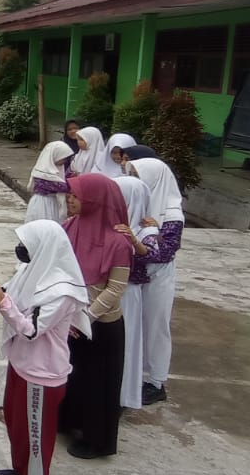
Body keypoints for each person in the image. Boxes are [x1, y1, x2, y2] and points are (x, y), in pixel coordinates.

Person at [0, 220, 90, 475]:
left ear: (44, 248)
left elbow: (31, 329)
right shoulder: (33, 271)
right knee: (17, 424)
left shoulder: (60, 290)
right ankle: (24, 474)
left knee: (35, 435)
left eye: (26, 245)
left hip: (41, 373)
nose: (21, 249)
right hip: (22, 364)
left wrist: (3, 302)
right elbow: (10, 291)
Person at [57, 173, 132, 459]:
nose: (69, 199)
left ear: (94, 200)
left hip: (101, 325)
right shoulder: (69, 228)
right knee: (73, 376)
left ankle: (97, 441)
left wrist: (85, 317)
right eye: (70, 194)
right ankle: (70, 423)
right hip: (71, 319)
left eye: (76, 195)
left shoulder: (118, 242)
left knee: (98, 384)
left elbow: (115, 289)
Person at [129, 158, 185, 406]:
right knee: (137, 326)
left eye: (137, 175)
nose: (134, 181)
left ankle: (156, 382)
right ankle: (135, 375)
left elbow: (164, 252)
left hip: (158, 277)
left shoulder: (171, 213)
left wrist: (150, 235)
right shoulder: (142, 203)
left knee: (155, 327)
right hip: (138, 275)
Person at [114, 175, 157, 411]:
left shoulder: (145, 229)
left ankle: (122, 395)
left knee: (126, 342)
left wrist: (132, 238)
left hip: (128, 295)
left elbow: (150, 255)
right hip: (108, 291)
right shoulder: (111, 223)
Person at [25, 141, 74, 223]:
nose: (64, 161)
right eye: (63, 158)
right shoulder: (41, 172)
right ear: (55, 155)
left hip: (54, 202)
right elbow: (60, 186)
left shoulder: (59, 168)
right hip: (42, 203)